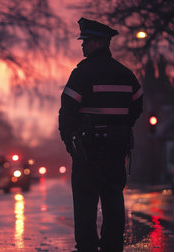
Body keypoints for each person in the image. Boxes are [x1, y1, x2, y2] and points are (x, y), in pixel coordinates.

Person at [58, 17, 143, 252]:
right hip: (116, 150)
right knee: (113, 200)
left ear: (98, 43)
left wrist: (71, 142)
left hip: (89, 152)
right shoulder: (126, 75)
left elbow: (66, 111)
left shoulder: (83, 74)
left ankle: (87, 247)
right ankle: (112, 247)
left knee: (85, 203)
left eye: (86, 41)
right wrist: (120, 127)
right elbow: (137, 107)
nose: (82, 46)